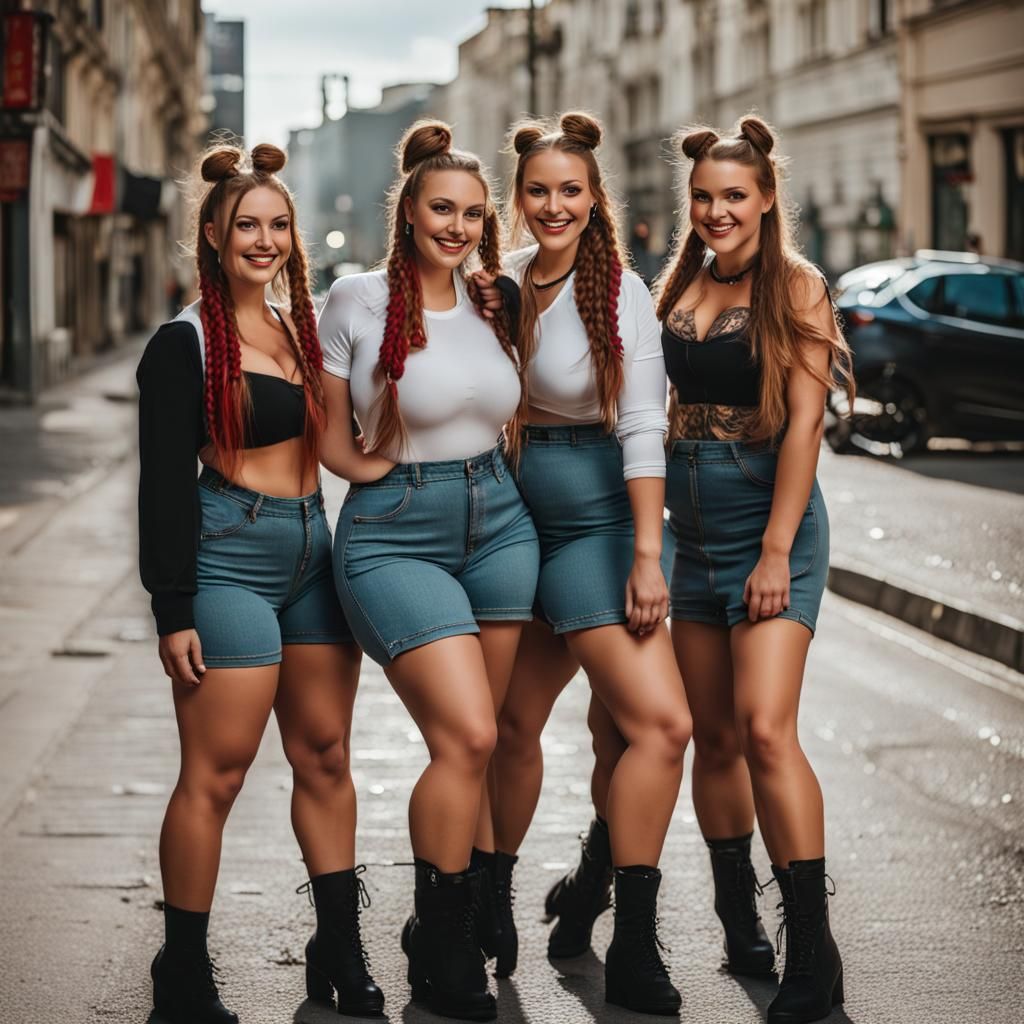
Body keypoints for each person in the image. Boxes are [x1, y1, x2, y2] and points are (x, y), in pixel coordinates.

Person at [137, 144, 382, 1023]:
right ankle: (184, 972)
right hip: (228, 556)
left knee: (325, 755)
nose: (266, 239)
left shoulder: (301, 327)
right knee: (220, 770)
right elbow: (162, 483)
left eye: (278, 225)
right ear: (212, 233)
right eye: (247, 224)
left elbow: (339, 444)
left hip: (313, 548)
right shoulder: (185, 344)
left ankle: (340, 947)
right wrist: (174, 607)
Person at [317, 121, 539, 1023]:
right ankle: (439, 938)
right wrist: (382, 476)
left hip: (501, 526)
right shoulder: (357, 298)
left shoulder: (495, 298)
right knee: (470, 737)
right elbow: (331, 433)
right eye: (441, 209)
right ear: (406, 211)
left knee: (480, 741)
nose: (458, 226)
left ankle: (470, 904)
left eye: (474, 214)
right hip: (396, 534)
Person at [482, 112, 692, 1016]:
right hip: (507, 519)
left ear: (593, 198)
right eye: (538, 190)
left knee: (653, 728)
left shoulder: (621, 293)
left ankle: (631, 936)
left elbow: (645, 425)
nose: (554, 204)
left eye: (571, 189)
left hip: (600, 527)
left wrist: (647, 554)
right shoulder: (502, 284)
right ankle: (489, 907)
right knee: (508, 725)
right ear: (517, 201)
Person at [654, 115, 852, 1023]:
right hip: (685, 533)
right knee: (714, 736)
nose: (717, 211)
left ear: (768, 197)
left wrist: (776, 550)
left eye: (734, 196)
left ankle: (814, 952)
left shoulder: (797, 286)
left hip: (765, 526)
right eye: (703, 198)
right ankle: (739, 916)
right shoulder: (682, 281)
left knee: (768, 731)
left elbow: (806, 423)